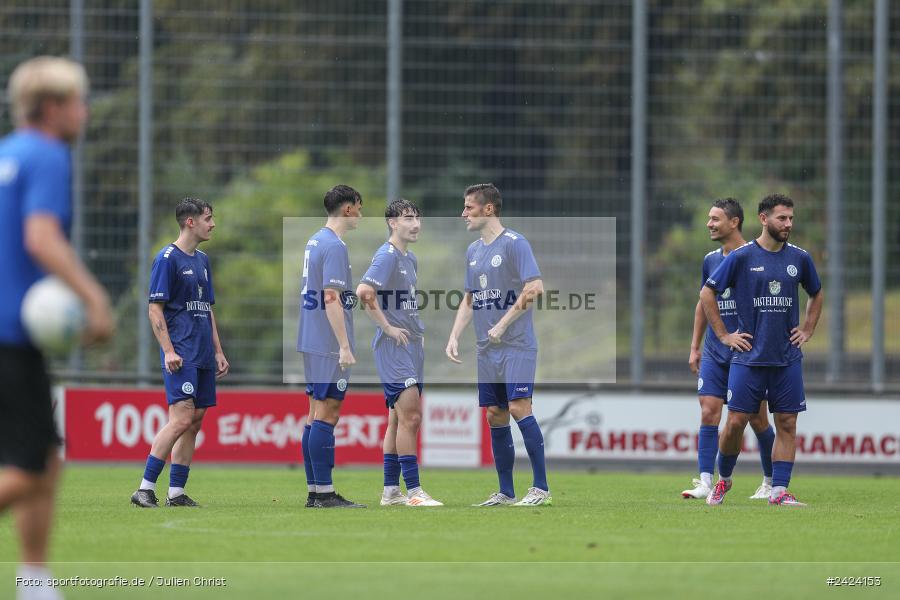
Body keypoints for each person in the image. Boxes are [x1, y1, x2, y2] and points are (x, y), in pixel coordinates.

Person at [0, 56, 113, 599]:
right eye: (77, 101)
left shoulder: (6, 154)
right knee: (23, 469)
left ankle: (34, 581)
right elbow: (41, 239)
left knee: (44, 461)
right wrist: (94, 298)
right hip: (10, 338)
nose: (84, 111)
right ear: (52, 108)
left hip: (16, 336)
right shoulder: (47, 154)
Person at [701, 193, 823, 507]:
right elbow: (707, 294)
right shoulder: (741, 257)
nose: (788, 224)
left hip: (786, 358)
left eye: (791, 218)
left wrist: (807, 329)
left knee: (787, 423)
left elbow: (816, 292)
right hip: (748, 358)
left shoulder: (799, 258)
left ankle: (779, 490)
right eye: (782, 218)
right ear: (764, 219)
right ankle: (724, 480)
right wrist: (725, 335)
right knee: (735, 423)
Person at [445, 183, 551, 506]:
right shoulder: (473, 251)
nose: (463, 214)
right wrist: (454, 334)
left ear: (488, 209)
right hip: (486, 349)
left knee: (520, 408)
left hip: (517, 346)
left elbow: (535, 288)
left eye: (468, 207)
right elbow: (469, 298)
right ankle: (506, 492)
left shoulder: (515, 244)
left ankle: (541, 489)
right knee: (495, 413)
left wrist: (503, 324)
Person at [130, 198, 229, 508]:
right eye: (208, 218)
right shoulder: (167, 259)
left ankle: (176, 492)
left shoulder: (202, 260)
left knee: (195, 421)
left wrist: (218, 351)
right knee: (181, 419)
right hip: (181, 355)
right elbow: (154, 309)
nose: (212, 224)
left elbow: (207, 309)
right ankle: (144, 488)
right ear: (191, 222)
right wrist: (168, 351)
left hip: (201, 354)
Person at [683, 198, 775, 500]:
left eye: (715, 219)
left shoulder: (756, 257)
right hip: (714, 350)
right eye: (709, 218)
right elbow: (703, 303)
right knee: (709, 411)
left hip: (747, 352)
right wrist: (695, 346)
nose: (709, 224)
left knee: (757, 419)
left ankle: (770, 480)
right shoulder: (710, 259)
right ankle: (706, 481)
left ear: (734, 222)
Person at [356, 199, 442, 507]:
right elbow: (364, 293)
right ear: (393, 223)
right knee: (411, 417)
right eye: (408, 218)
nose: (416, 224)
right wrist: (389, 328)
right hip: (395, 348)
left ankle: (391, 492)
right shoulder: (387, 255)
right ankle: (415, 492)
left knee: (396, 420)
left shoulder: (411, 258)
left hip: (411, 346)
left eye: (418, 218)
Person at [297, 185, 366, 508]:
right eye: (360, 209)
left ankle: (315, 491)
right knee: (328, 412)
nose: (361, 216)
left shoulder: (315, 240)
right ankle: (324, 493)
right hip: (327, 342)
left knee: (314, 413)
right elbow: (330, 298)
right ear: (348, 209)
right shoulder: (335, 246)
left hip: (310, 337)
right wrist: (344, 345)